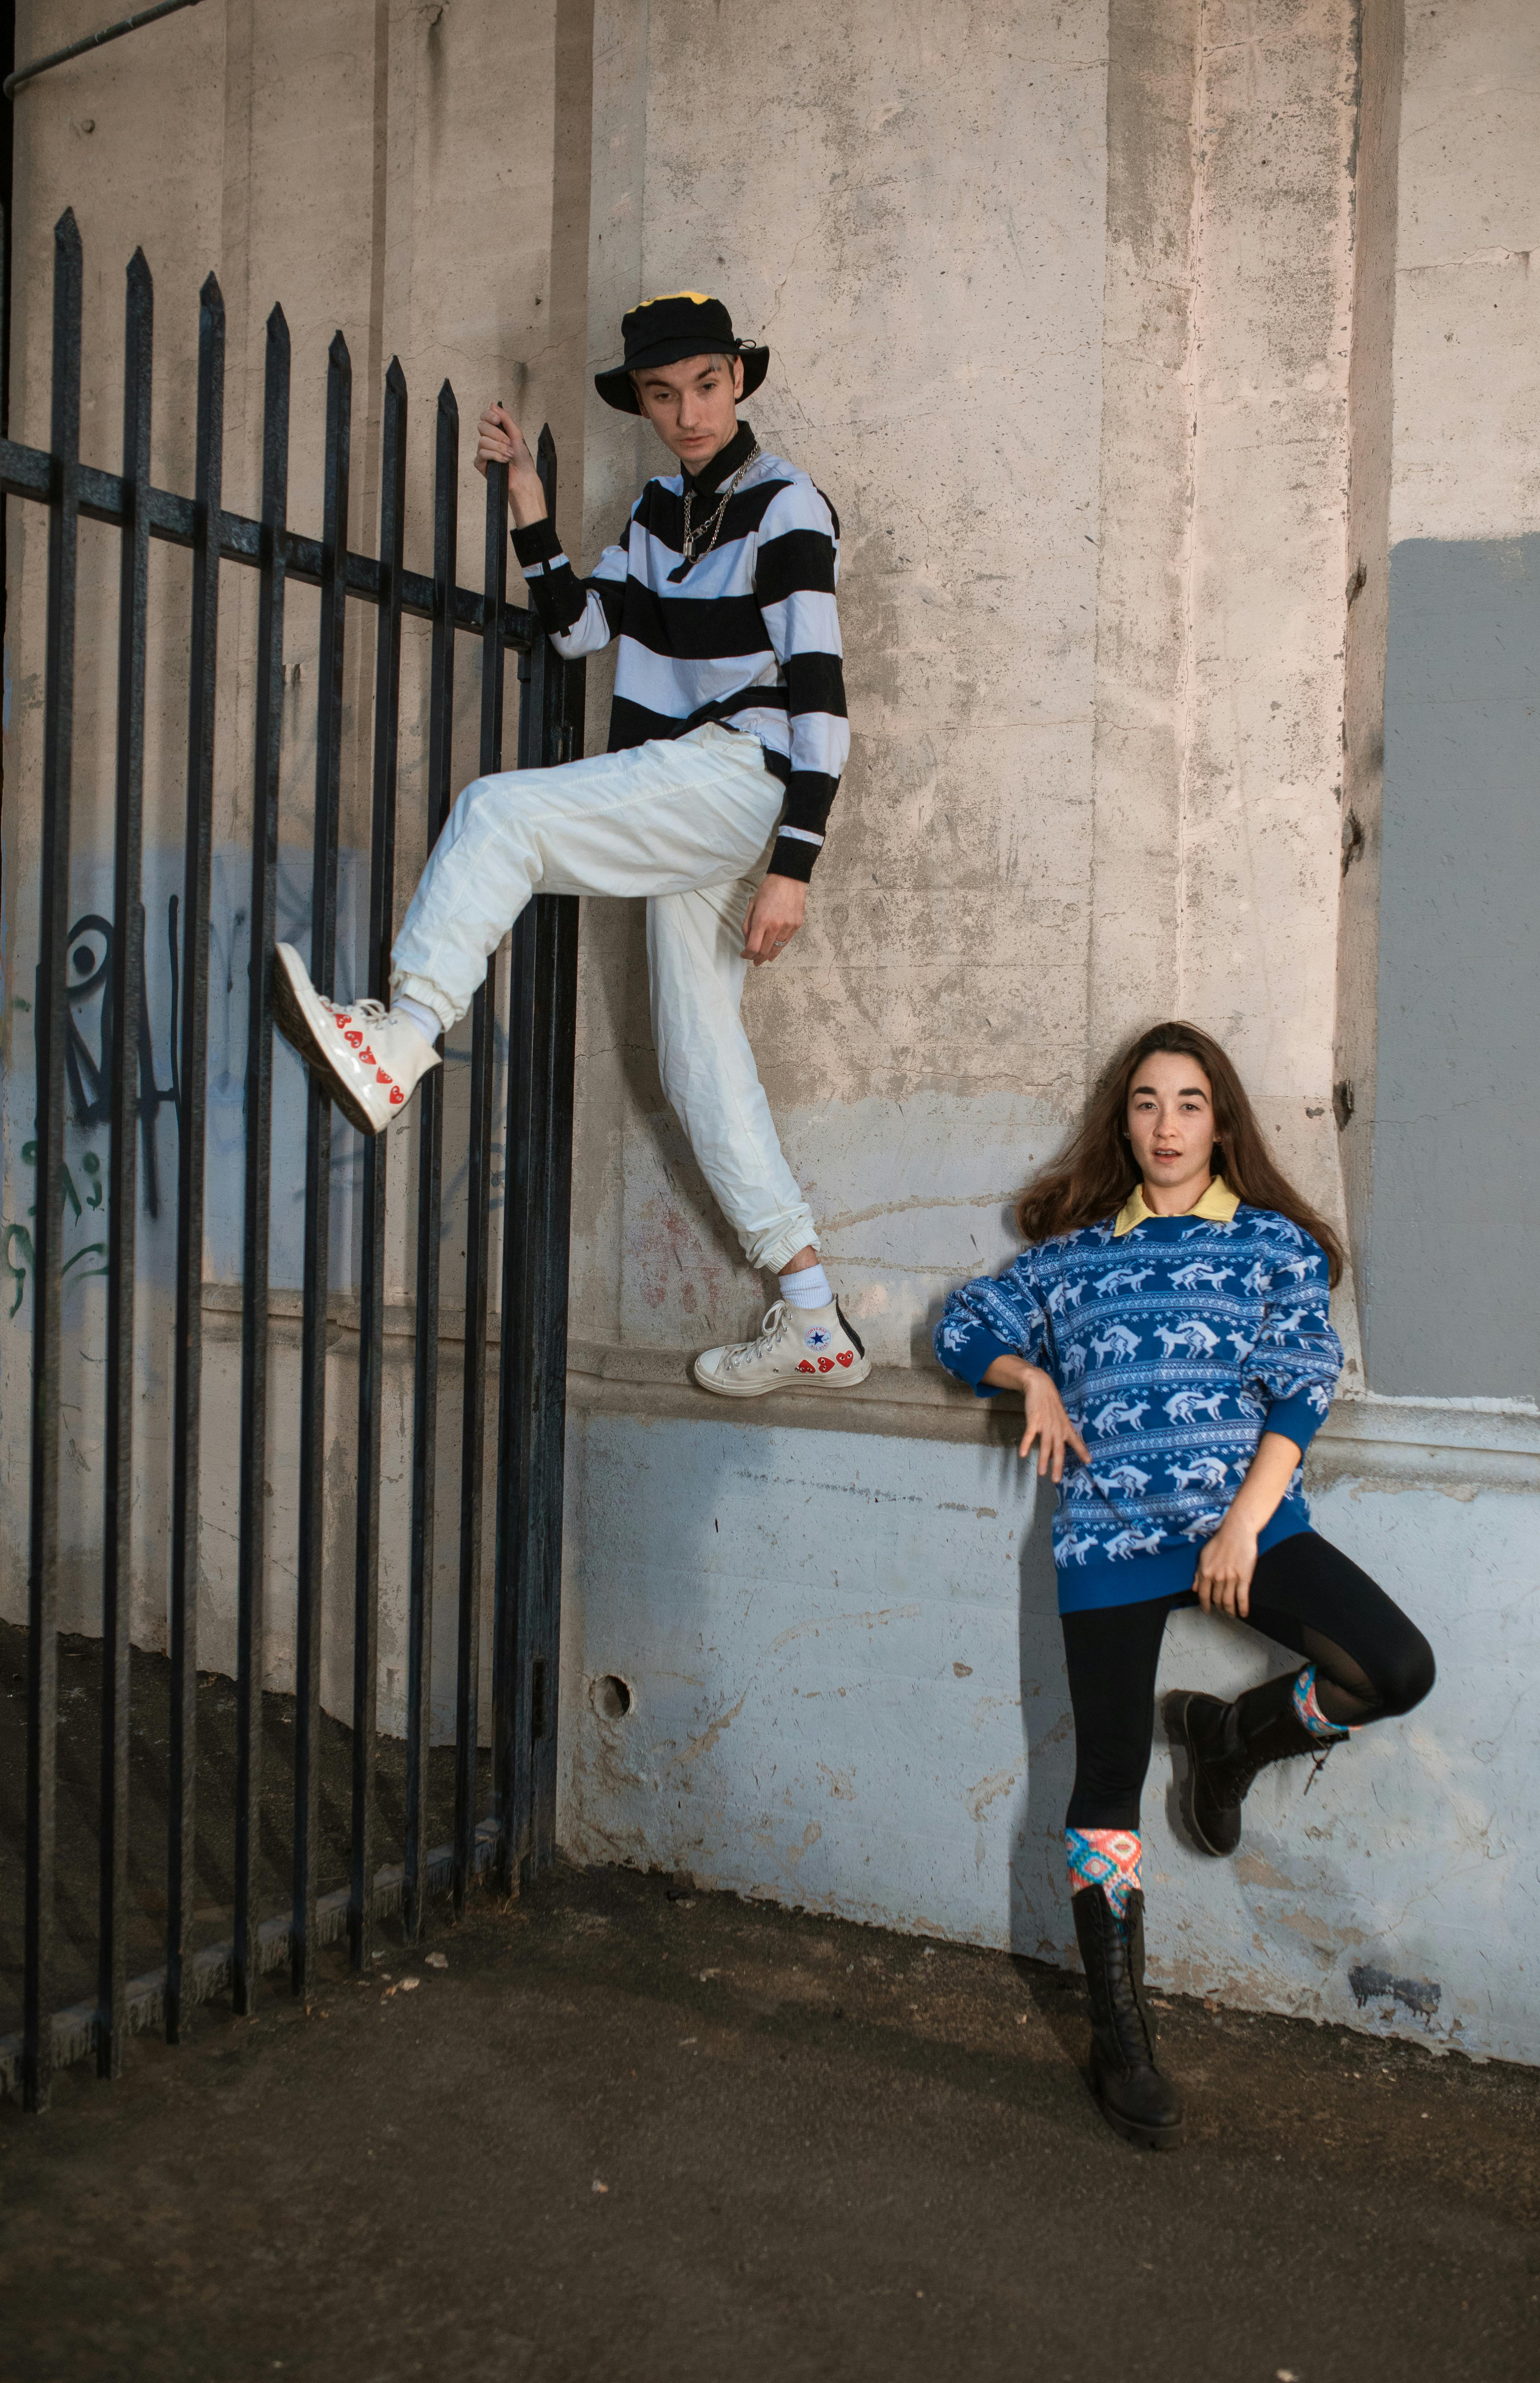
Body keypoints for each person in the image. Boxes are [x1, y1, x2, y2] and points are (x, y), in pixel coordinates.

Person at [272, 291, 868, 1396]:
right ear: (642, 404)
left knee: (503, 812)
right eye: (662, 393)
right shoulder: (654, 511)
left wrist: (796, 862)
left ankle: (403, 1036)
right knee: (699, 1063)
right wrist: (530, 505)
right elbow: (581, 629)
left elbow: (825, 690)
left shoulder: (786, 505)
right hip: (683, 789)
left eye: (705, 384)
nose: (687, 411)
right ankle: (814, 1317)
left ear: (738, 381)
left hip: (741, 772)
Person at [934, 1021, 1435, 2152]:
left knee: (1394, 1669)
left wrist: (1244, 1532)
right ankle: (1121, 2033)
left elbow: (1301, 1391)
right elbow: (964, 1324)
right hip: (1108, 1547)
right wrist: (1032, 1381)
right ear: (1124, 1121)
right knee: (1105, 1773)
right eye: (1149, 1104)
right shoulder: (1070, 1256)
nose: (1168, 1126)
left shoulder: (1268, 1247)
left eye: (1192, 1103)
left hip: (1245, 1528)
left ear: (1223, 1121)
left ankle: (1237, 1735)